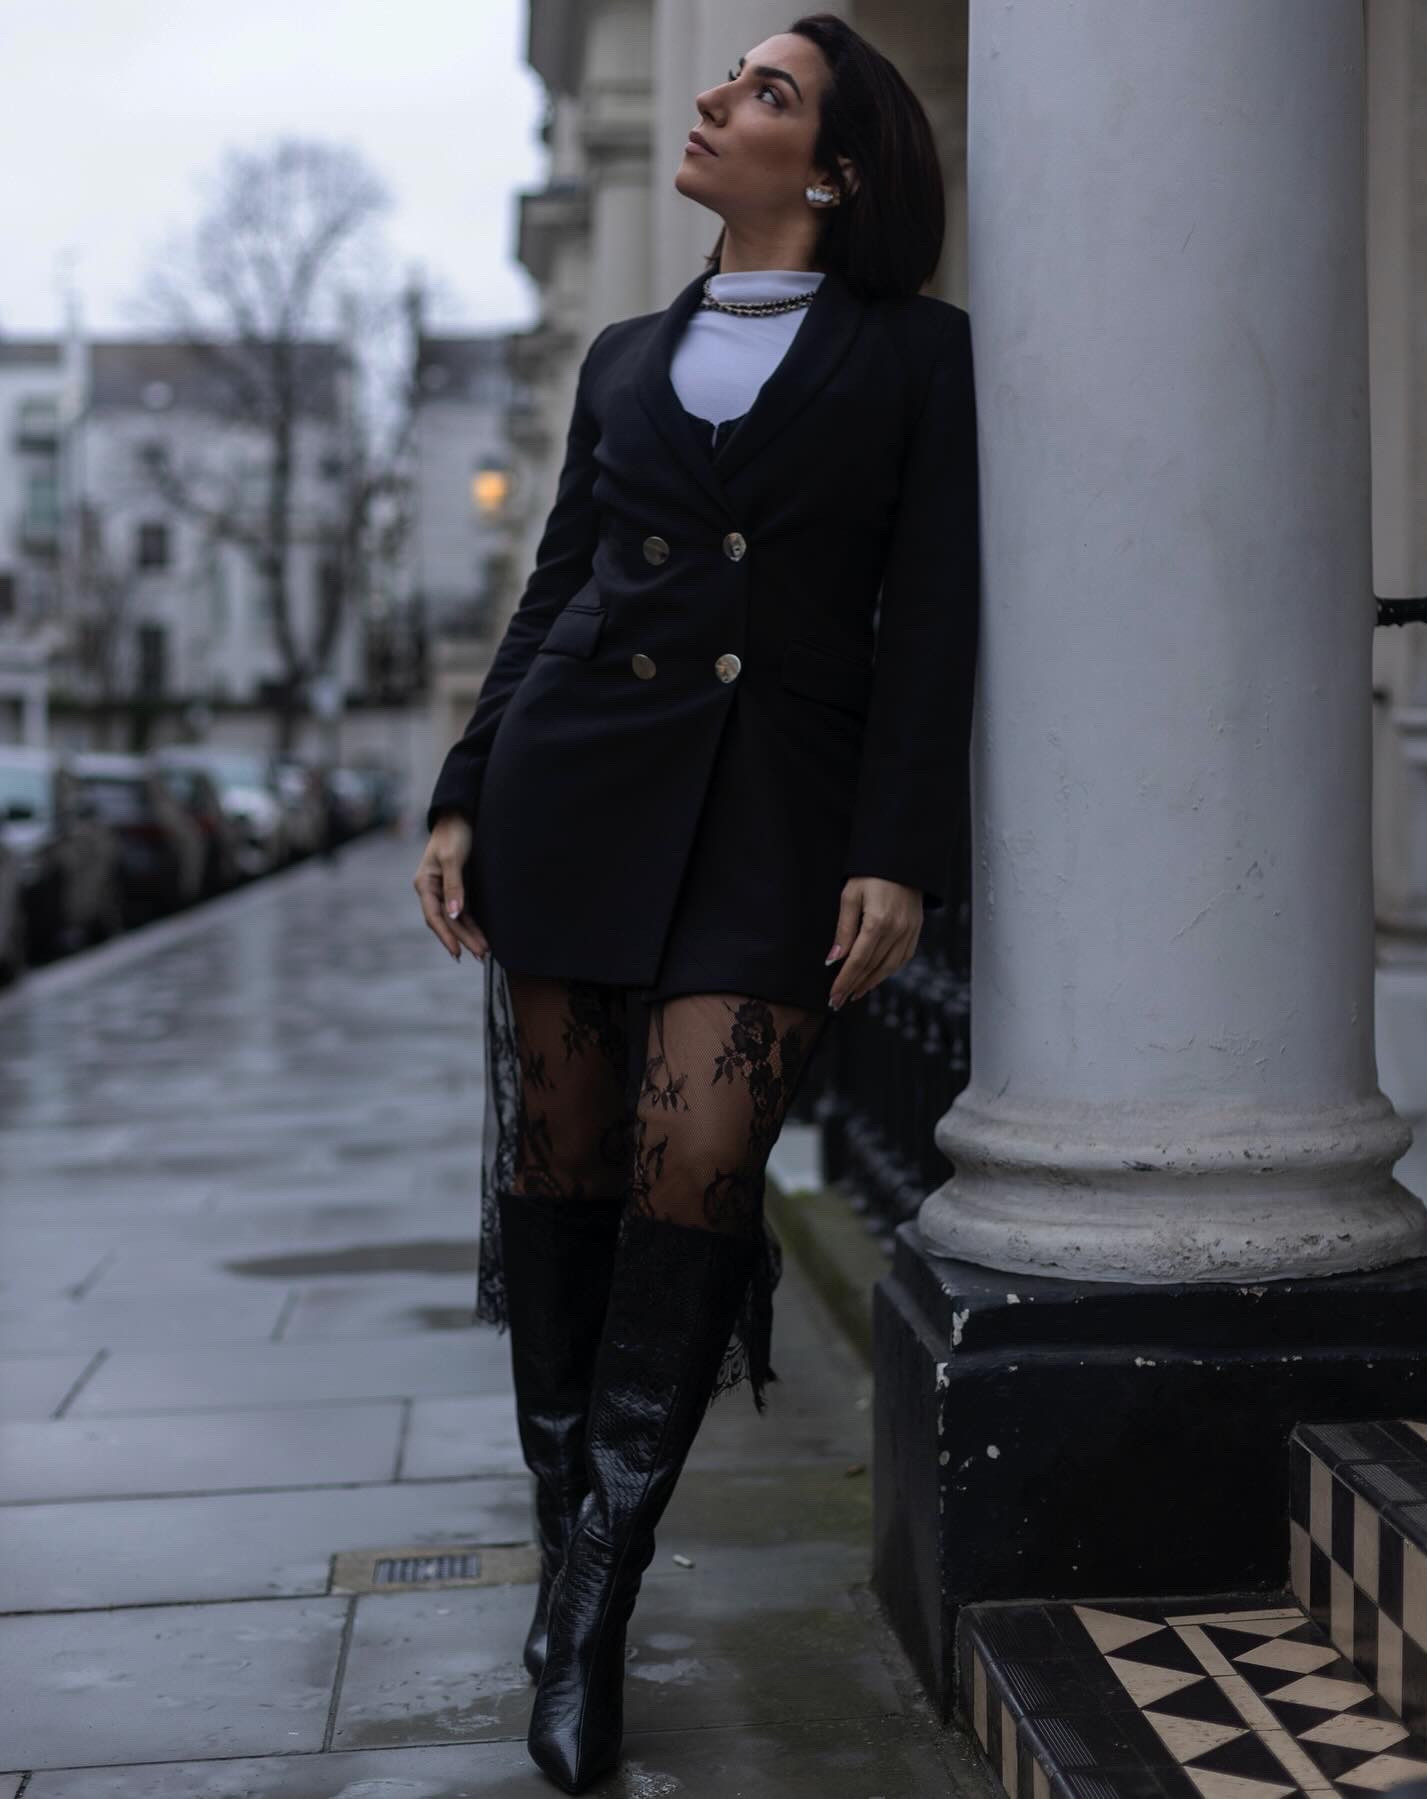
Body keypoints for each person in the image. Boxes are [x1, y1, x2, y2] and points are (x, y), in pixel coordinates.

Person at [413, 13, 979, 1791]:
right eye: (727, 77)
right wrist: (457, 792)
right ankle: (573, 1556)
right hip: (574, 787)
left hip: (772, 821)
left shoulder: (911, 358)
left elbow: (934, 623)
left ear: (832, 168)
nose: (722, 99)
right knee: (566, 1169)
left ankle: (594, 1589)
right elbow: (557, 583)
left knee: (700, 1165)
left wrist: (897, 846)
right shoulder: (622, 355)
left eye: (770, 91)